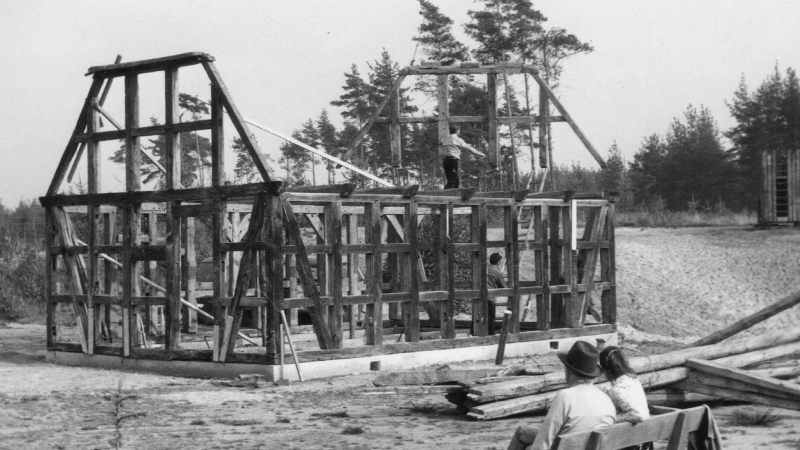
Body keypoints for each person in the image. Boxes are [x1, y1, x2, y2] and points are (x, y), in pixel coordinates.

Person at [507, 341, 615, 450]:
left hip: (568, 446)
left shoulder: (565, 397)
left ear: (569, 371)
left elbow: (543, 442)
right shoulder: (606, 399)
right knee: (525, 434)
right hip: (590, 446)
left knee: (527, 439)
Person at [599, 346, 650, 424]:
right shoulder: (633, 380)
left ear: (606, 370)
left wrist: (613, 419)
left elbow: (639, 414)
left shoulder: (618, 389)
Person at [440, 124, 485, 189]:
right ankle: (444, 196)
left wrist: (465, 145)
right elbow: (470, 149)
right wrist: (480, 153)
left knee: (455, 182)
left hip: (446, 161)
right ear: (457, 130)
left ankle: (454, 196)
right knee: (452, 181)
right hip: (453, 161)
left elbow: (444, 143)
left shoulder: (446, 139)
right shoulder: (458, 139)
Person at [486, 252, 506, 335]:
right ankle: (490, 336)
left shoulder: (484, 268)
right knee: (491, 318)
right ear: (498, 262)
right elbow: (504, 287)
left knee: (478, 316)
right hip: (490, 298)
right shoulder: (498, 272)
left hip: (478, 297)